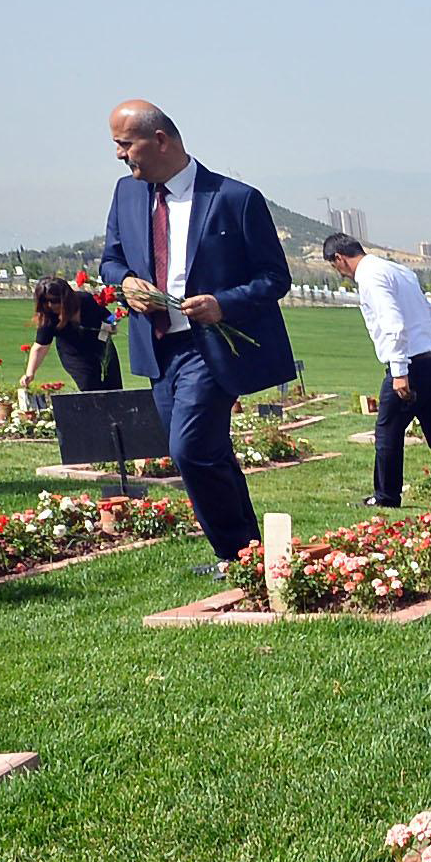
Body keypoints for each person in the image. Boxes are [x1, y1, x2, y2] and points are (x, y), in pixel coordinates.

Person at [99, 100, 297, 574]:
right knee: (206, 451)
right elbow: (111, 258)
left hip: (212, 348)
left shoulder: (235, 198)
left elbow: (275, 277)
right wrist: (126, 284)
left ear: (160, 140)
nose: (120, 156)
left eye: (125, 144)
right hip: (158, 346)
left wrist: (222, 304)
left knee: (190, 450)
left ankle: (231, 554)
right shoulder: (127, 195)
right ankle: (252, 552)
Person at [322, 232, 431, 511]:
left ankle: (386, 496)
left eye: (334, 266)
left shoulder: (370, 277)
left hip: (409, 366)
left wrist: (400, 371)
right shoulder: (399, 270)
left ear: (339, 259)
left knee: (387, 431)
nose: (339, 272)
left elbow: (393, 324)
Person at [20, 276, 123, 392]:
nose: (50, 305)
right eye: (45, 301)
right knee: (89, 385)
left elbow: (109, 316)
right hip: (75, 355)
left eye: (54, 301)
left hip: (102, 346)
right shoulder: (49, 319)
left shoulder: (86, 300)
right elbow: (40, 348)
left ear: (66, 298)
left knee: (114, 387)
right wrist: (30, 373)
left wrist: (112, 324)